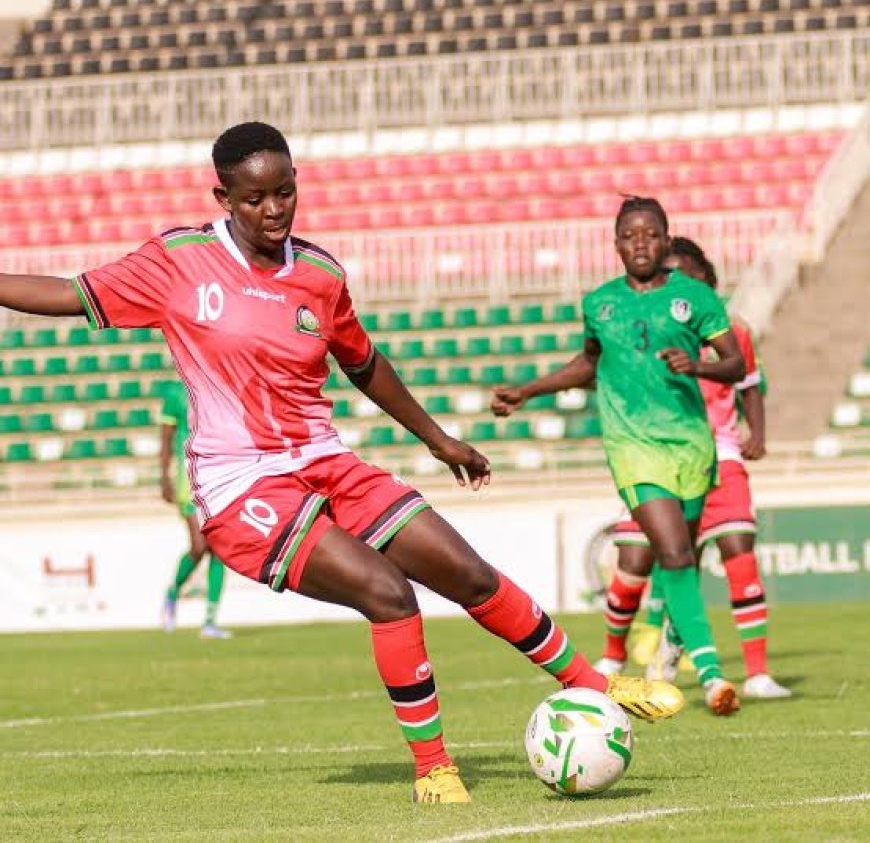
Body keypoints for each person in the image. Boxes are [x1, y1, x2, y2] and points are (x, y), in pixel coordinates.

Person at [0, 122, 683, 805]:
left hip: (325, 460)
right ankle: (435, 770)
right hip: (241, 486)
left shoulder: (321, 275)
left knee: (466, 571)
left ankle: (594, 684)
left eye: (286, 193)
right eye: (256, 199)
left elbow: (363, 362)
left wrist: (438, 440)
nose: (274, 211)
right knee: (388, 593)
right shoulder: (179, 261)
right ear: (224, 197)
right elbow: (68, 292)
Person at [492, 196, 745, 716]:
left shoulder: (694, 297)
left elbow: (736, 364)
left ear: (666, 240)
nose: (640, 244)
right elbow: (588, 365)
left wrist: (698, 367)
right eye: (630, 235)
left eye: (650, 234)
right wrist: (529, 391)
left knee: (684, 558)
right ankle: (715, 675)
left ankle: (672, 653)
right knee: (673, 552)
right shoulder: (600, 304)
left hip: (691, 446)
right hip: (632, 449)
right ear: (616, 245)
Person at [607, 237, 791, 699]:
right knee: (651, 560)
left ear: (707, 280)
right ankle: (631, 650)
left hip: (722, 454)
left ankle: (757, 672)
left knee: (738, 546)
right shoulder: (650, 325)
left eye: (688, 277)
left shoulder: (733, 329)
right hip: (664, 456)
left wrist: (758, 434)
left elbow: (749, 382)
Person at [160, 378, 231, 639]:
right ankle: (172, 592)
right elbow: (166, 438)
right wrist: (164, 476)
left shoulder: (217, 386)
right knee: (199, 546)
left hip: (219, 478)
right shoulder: (175, 392)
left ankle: (210, 622)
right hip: (187, 481)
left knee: (220, 550)